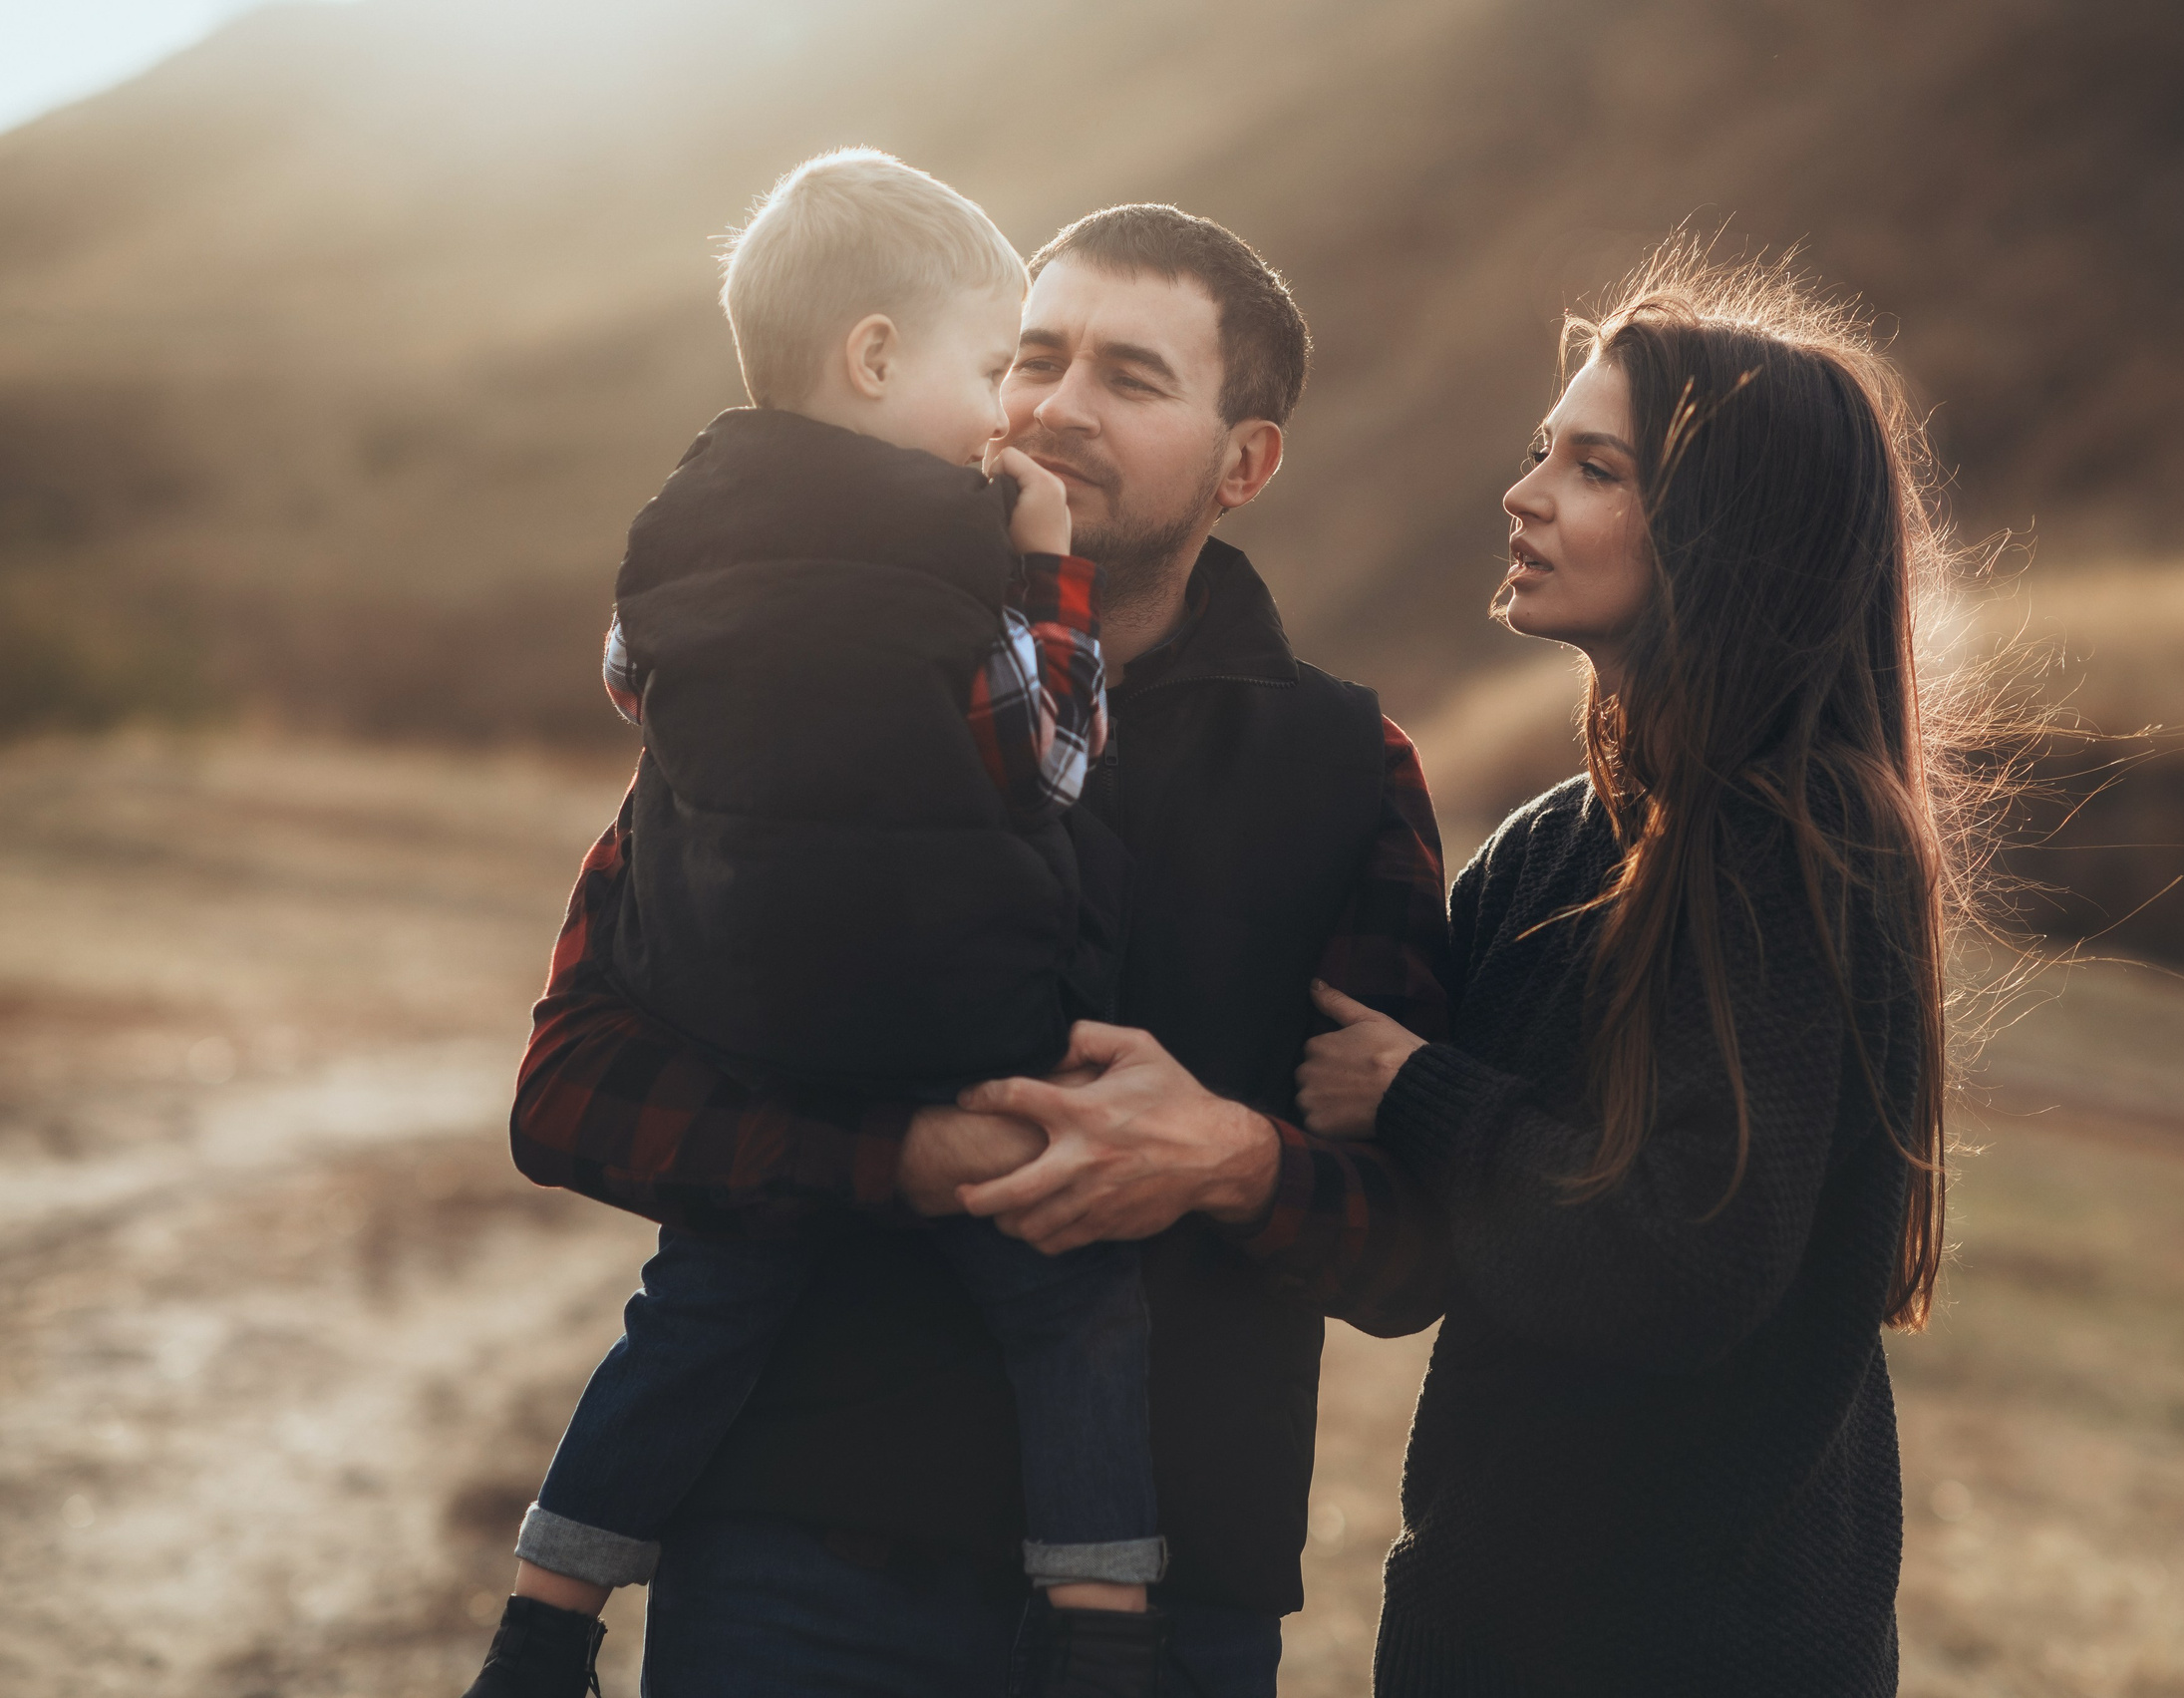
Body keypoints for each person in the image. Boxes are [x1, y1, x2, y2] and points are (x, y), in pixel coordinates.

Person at [506, 200, 1452, 1697]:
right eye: (1030, 354)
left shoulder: (1349, 771)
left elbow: (1413, 1241)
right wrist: (897, 1155)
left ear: (1244, 462)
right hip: (791, 1562)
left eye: (1132, 379)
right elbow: (570, 1090)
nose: (1054, 405)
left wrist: (1230, 1158)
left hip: (1171, 1603)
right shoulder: (797, 674)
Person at [467, 149, 1163, 1698]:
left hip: (743, 1032)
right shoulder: (953, 563)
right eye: (993, 366)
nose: (1010, 410)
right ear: (874, 356)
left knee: (696, 1310)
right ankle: (1103, 1630)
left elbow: (640, 693)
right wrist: (1048, 565)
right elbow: (1052, 755)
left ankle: (545, 1619)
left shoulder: (679, 537)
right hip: (948, 1016)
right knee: (1070, 1311)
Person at [1291, 253, 1963, 1694]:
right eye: (1543, 452)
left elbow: (1682, 1267)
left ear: (1733, 533)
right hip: (1490, 1619)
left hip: (1702, 1649)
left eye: (1595, 468)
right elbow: (1412, 1253)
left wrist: (1417, 1094)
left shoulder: (1804, 841)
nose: (1524, 496)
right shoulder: (1551, 846)